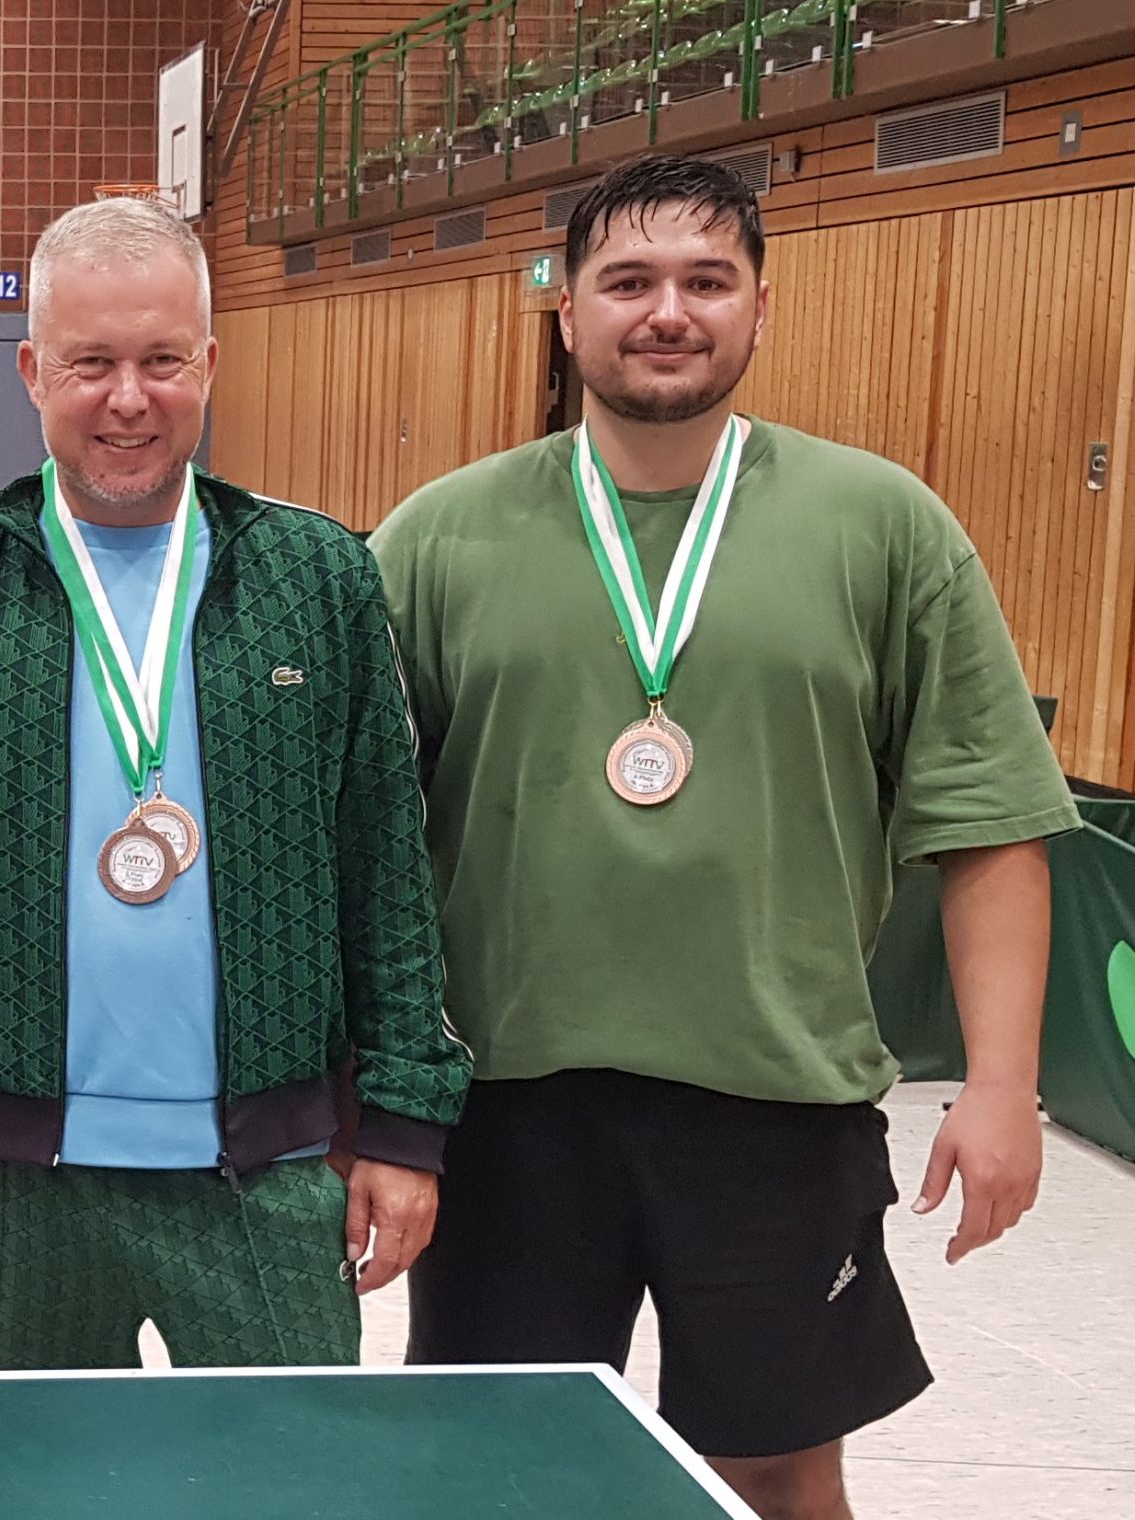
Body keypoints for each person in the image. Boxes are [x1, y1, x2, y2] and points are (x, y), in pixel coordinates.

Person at [372, 154, 1075, 1520]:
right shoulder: (438, 538)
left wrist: (1002, 1085)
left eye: (707, 279)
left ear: (761, 306)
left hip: (778, 1100)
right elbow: (355, 840)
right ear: (565, 311)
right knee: (499, 1478)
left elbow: (989, 822)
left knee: (778, 1475)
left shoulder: (883, 527)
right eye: (626, 280)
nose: (667, 311)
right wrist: (364, 1087)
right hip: (508, 1105)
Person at [0, 195, 470, 1371]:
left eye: (161, 361)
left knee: (285, 1464)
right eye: (90, 363)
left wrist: (402, 1120)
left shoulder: (315, 575)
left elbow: (384, 862)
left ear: (209, 364)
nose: (127, 398)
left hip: (269, 1170)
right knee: (39, 1472)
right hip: (10, 1180)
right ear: (31, 370)